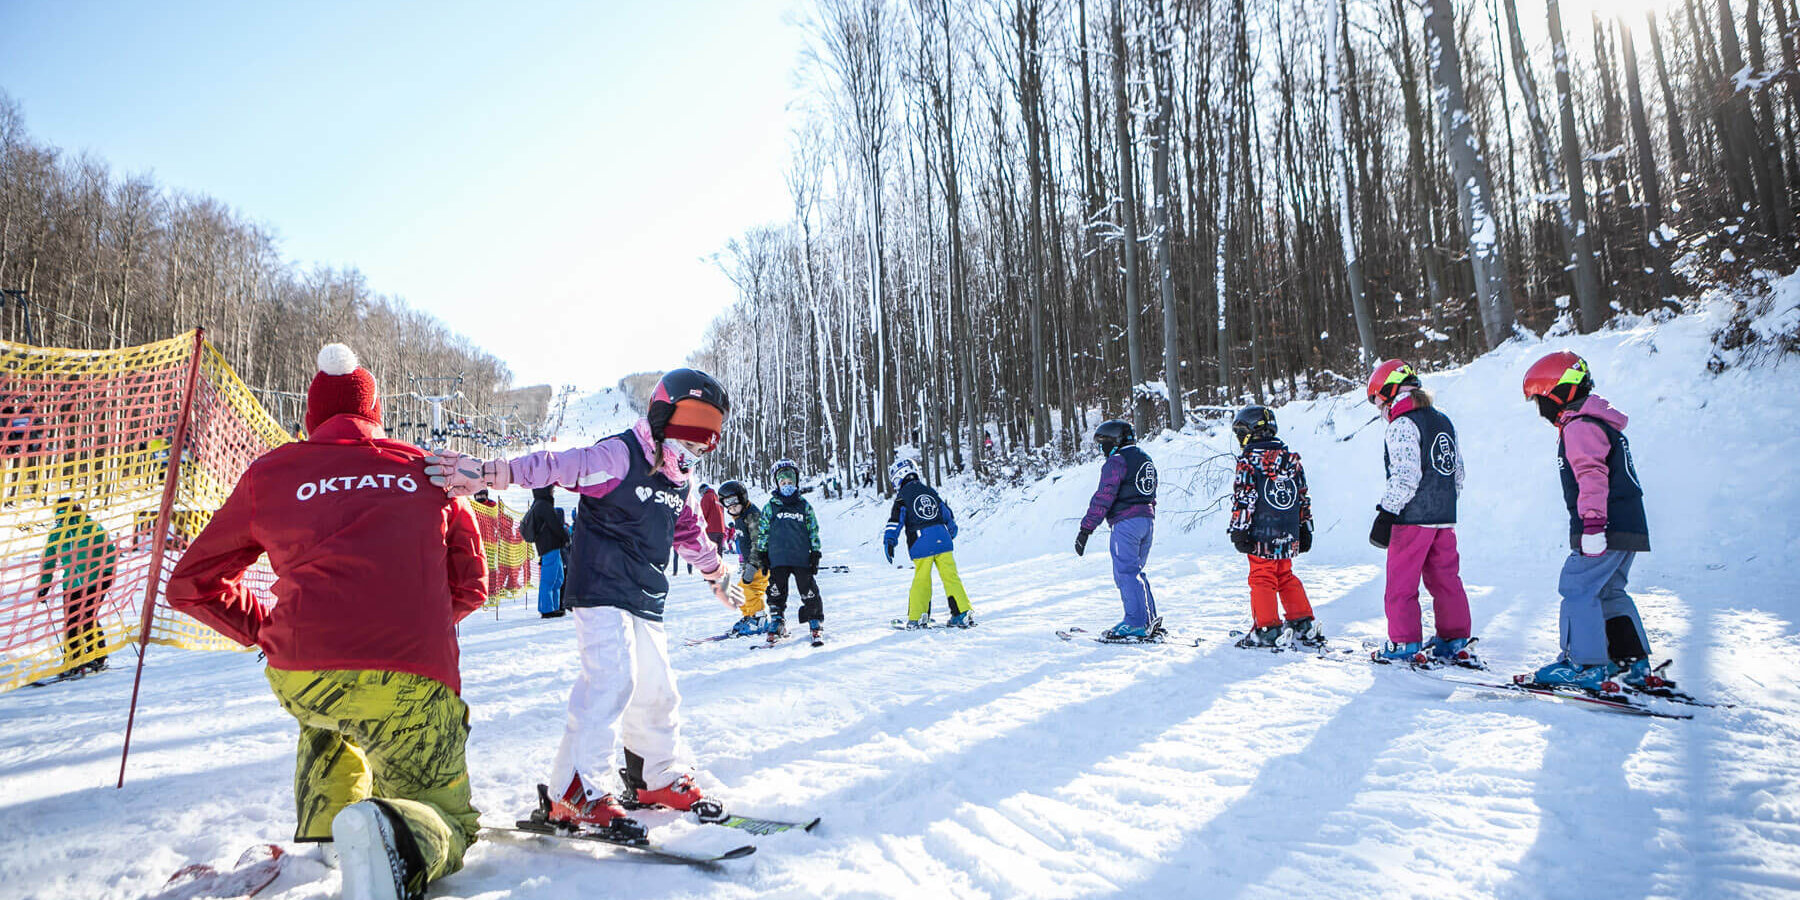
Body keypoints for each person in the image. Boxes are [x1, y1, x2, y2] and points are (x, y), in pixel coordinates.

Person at [166, 344, 489, 900]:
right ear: (377, 413)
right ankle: (389, 842)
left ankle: (328, 834)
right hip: (410, 675)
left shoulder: (271, 473)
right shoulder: (431, 471)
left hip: (303, 670)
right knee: (447, 818)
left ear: (311, 417)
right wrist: (415, 627)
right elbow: (471, 584)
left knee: (332, 707)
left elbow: (190, 585)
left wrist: (264, 630)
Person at [424, 368, 738, 835]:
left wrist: (716, 572)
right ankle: (575, 791)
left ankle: (657, 775)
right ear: (662, 414)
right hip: (601, 587)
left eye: (709, 432)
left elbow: (689, 531)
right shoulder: (619, 456)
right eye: (693, 425)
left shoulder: (681, 481)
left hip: (646, 594)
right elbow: (555, 465)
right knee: (611, 680)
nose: (699, 442)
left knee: (658, 688)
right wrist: (491, 472)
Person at [1520, 352, 1665, 692]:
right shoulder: (1598, 423)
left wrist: (1594, 527)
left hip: (1604, 526)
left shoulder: (1580, 427)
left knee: (1577, 587)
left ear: (1559, 394)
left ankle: (1583, 664)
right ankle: (1631, 661)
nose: (1541, 410)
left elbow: (1592, 477)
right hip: (1627, 525)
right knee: (1609, 590)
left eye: (1541, 400)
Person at [1365, 360, 1477, 665]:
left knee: (1401, 583)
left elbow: (1405, 475)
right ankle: (1454, 639)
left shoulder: (1402, 424)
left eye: (1378, 401)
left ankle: (1403, 642)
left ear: (1389, 393)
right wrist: (1442, 501)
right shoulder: (1442, 421)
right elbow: (1458, 473)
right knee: (1446, 579)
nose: (1380, 409)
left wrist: (1386, 513)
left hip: (1412, 517)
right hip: (1443, 515)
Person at [1225, 406, 1320, 648]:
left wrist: (1239, 529)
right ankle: (1301, 622)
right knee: (1284, 575)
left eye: (1240, 433)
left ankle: (1266, 628)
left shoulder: (1249, 462)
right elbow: (1301, 496)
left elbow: (1245, 497)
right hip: (1288, 530)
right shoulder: (1291, 460)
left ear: (1249, 433)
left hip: (1262, 532)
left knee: (1262, 577)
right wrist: (1305, 526)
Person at [1075, 420, 1161, 640]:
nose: (1102, 449)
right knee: (1137, 570)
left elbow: (1104, 496)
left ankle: (1135, 623)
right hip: (1147, 521)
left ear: (1114, 441)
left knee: (1126, 572)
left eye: (1103, 443)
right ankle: (1148, 619)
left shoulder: (1117, 461)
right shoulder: (1145, 458)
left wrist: (1086, 529)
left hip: (1126, 523)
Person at [883, 458, 974, 628]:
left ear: (898, 478)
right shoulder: (930, 491)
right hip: (943, 540)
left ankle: (918, 616)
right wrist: (950, 531)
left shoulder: (902, 497)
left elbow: (895, 521)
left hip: (920, 542)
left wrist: (889, 541)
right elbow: (947, 513)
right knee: (951, 577)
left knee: (922, 578)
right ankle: (962, 612)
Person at [36, 497, 118, 674]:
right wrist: (44, 585)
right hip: (71, 584)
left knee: (87, 617)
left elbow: (109, 551)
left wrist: (107, 574)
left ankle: (98, 657)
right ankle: (74, 661)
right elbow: (49, 561)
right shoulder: (57, 533)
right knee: (72, 622)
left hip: (95, 581)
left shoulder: (92, 527)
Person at [756, 458, 824, 643]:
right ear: (777, 484)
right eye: (783, 483)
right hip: (777, 558)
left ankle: (814, 618)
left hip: (801, 557)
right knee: (776, 590)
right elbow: (763, 531)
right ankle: (777, 619)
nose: (787, 486)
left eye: (790, 482)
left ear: (796, 483)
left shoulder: (804, 506)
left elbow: (813, 530)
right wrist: (762, 554)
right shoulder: (771, 507)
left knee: (807, 588)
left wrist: (815, 552)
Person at [717, 479, 769, 636]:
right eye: (728, 505)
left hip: (760, 563)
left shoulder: (752, 515)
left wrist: (753, 565)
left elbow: (758, 541)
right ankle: (749, 616)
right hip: (750, 563)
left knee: (750, 589)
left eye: (735, 503)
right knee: (741, 589)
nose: (732, 507)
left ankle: (759, 619)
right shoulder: (740, 517)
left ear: (743, 497)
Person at [519, 486, 570, 619]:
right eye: (551, 489)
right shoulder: (543, 505)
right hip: (548, 546)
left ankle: (555, 606)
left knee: (558, 578)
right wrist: (566, 537)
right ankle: (546, 609)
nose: (553, 491)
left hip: (553, 545)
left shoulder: (540, 504)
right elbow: (555, 525)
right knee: (549, 579)